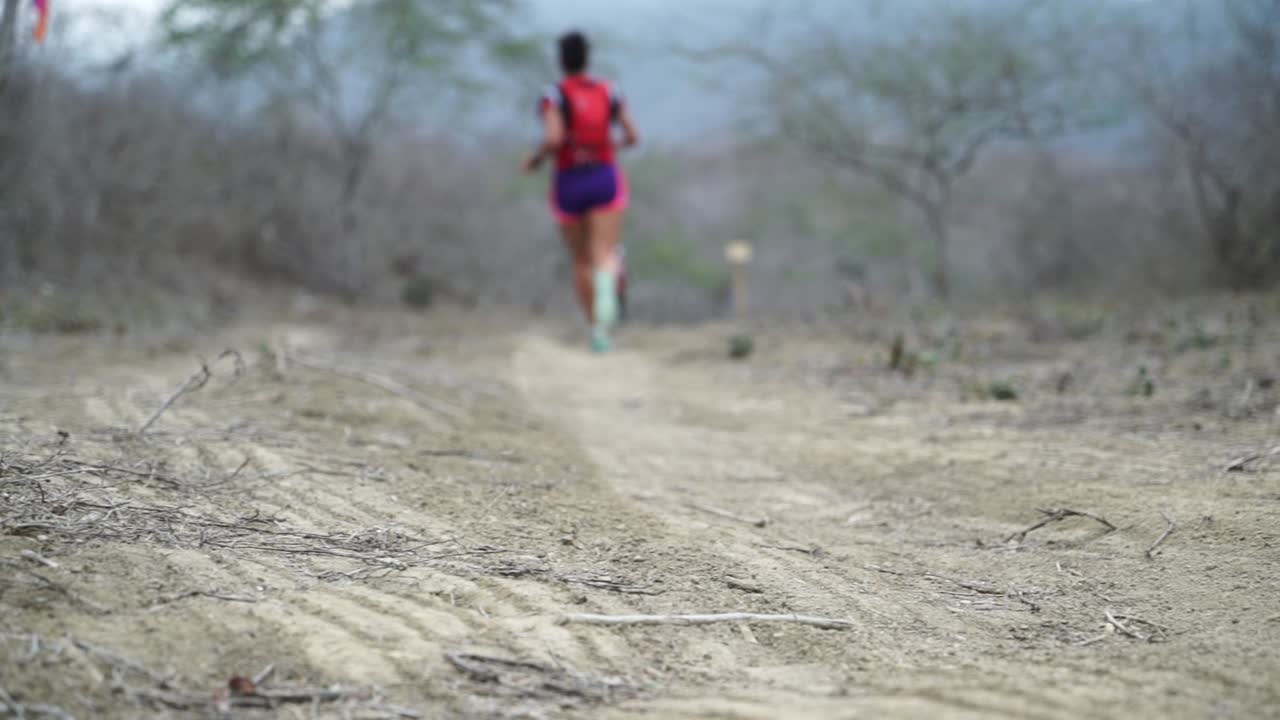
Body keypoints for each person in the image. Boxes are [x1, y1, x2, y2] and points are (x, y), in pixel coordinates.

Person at [523, 30, 639, 353]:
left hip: (569, 181)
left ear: (561, 61)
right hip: (604, 176)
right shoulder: (610, 91)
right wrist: (609, 147)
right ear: (588, 59)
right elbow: (633, 136)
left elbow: (554, 138)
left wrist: (536, 160)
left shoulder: (554, 95)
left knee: (581, 260)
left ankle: (597, 332)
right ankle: (609, 284)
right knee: (605, 251)